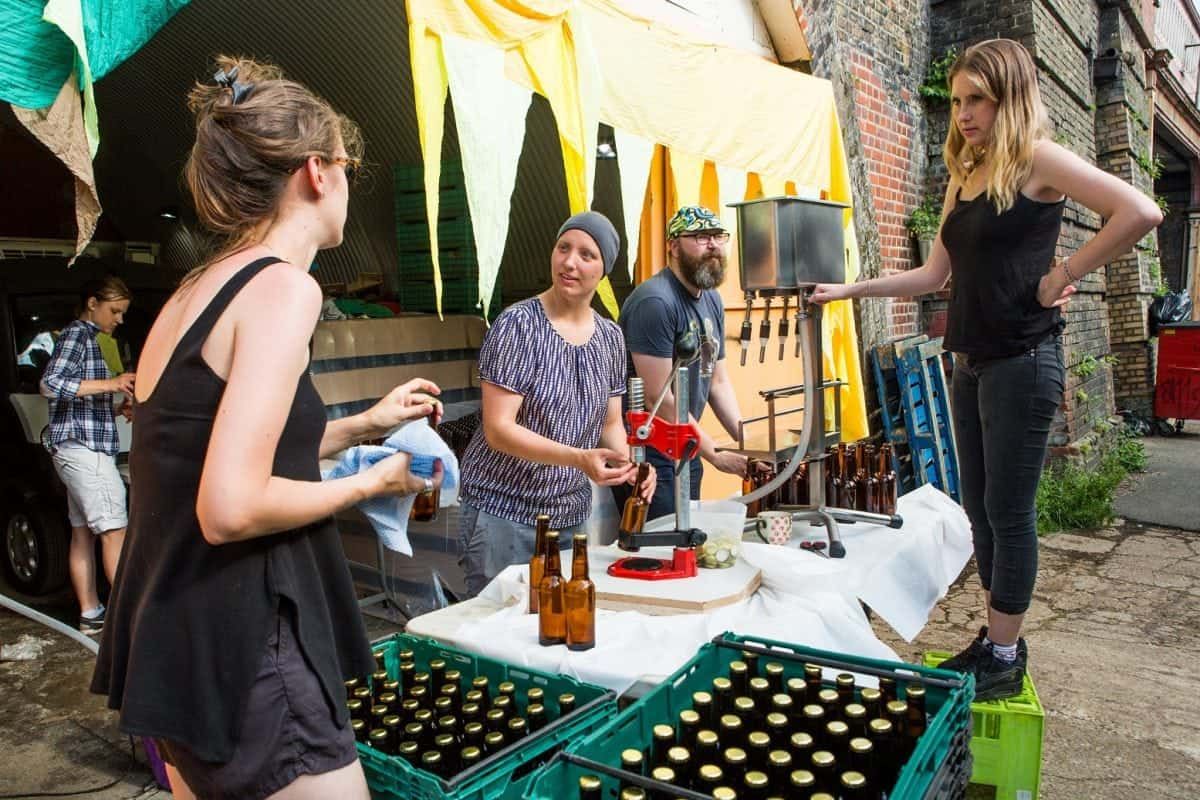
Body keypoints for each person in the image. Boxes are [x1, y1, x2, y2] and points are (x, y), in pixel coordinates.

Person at [91, 56, 443, 800]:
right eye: (348, 166)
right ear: (318, 171)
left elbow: (212, 452)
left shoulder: (196, 289)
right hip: (249, 646)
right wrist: (375, 483)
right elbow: (230, 506)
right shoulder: (285, 287)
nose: (348, 183)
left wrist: (360, 428)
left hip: (176, 640)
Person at [812, 39, 1162, 700]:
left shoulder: (1038, 160)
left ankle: (1003, 651)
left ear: (1010, 98)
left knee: (1008, 510)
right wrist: (847, 291)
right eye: (958, 101)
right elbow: (932, 275)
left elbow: (1140, 211)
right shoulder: (967, 171)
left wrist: (1064, 273)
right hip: (971, 365)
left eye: (978, 100)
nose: (964, 114)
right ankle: (998, 640)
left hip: (1025, 362)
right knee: (979, 510)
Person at [458, 211, 654, 597]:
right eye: (563, 248)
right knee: (499, 631)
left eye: (586, 254)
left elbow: (610, 422)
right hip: (503, 512)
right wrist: (580, 460)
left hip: (569, 516)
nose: (569, 262)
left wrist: (631, 465)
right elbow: (499, 430)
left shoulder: (611, 338)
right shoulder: (517, 326)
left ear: (603, 270)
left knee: (555, 629)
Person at [614, 206, 756, 520]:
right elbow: (659, 397)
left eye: (719, 236)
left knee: (688, 545)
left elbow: (717, 382)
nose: (714, 245)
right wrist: (715, 454)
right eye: (701, 237)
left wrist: (751, 443)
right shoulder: (655, 302)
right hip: (648, 454)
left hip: (685, 446)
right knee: (662, 545)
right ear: (673, 246)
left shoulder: (711, 299)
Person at [40, 276, 134, 635]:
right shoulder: (78, 335)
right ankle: (130, 619)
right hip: (85, 453)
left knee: (83, 533)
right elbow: (50, 385)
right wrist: (113, 383)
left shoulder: (86, 338)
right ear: (92, 303)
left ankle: (91, 612)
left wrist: (113, 408)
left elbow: (75, 401)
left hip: (73, 447)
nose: (119, 320)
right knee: (114, 530)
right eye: (115, 311)